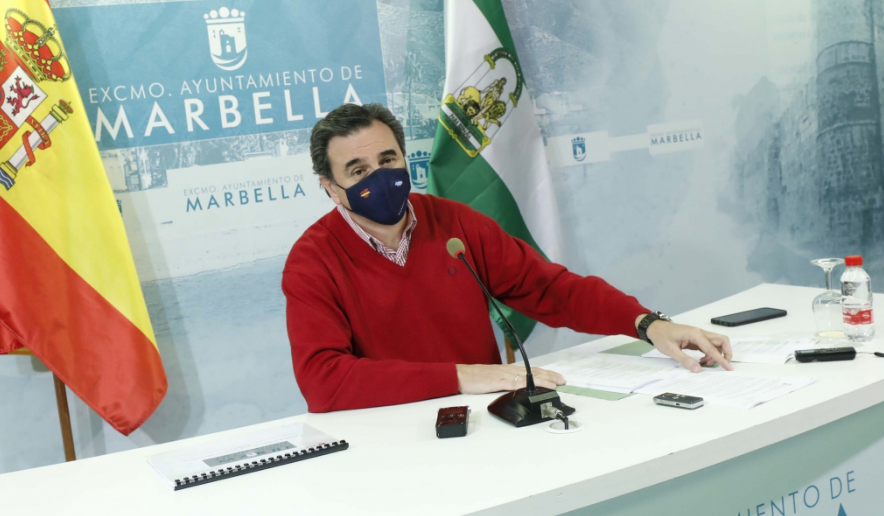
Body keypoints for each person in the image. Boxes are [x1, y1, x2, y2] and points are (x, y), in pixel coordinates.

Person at [282, 103, 733, 412]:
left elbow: (550, 289)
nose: (380, 178)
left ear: (404, 158)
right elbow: (324, 381)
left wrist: (647, 324)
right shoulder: (312, 261)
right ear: (330, 188)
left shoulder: (454, 224)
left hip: (486, 417)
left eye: (388, 160)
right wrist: (461, 377)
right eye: (359, 171)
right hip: (389, 433)